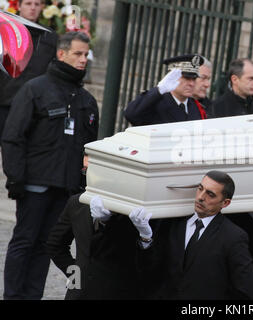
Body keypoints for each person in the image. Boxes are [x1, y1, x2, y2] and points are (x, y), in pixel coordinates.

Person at [1, 31, 99, 300]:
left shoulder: (86, 100)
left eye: (85, 55)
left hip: (65, 188)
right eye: (77, 54)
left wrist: (80, 186)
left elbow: (89, 150)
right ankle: (13, 296)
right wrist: (16, 178)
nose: (82, 60)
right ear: (61, 53)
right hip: (35, 184)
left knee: (47, 245)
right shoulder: (35, 89)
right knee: (25, 241)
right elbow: (13, 136)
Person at [134, 170, 253, 300]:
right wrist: (146, 238)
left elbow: (247, 294)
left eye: (210, 194)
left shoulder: (233, 237)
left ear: (225, 203)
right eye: (200, 189)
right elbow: (150, 269)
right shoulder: (173, 223)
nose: (201, 197)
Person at [46, 194, 159, 300]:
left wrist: (145, 237)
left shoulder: (137, 212)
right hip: (84, 293)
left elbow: (150, 264)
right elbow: (55, 244)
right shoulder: (77, 203)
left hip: (119, 292)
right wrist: (76, 275)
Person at [0, 0, 58, 139]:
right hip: (4, 102)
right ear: (19, 6)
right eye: (28, 3)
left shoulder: (50, 36)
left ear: (42, 8)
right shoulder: (4, 30)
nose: (32, 8)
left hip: (33, 105)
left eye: (37, 4)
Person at [124, 54, 207, 126]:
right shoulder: (156, 103)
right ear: (172, 76)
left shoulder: (196, 107)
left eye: (194, 79)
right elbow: (131, 114)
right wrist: (159, 89)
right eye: (187, 78)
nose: (191, 84)